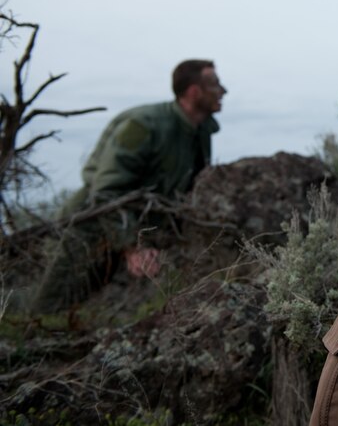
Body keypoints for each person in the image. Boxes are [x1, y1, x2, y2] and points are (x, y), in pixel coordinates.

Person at [31, 59, 226, 313]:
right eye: (215, 84)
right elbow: (107, 191)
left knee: (95, 316)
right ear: (193, 91)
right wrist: (133, 247)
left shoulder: (199, 131)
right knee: (49, 312)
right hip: (89, 227)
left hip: (137, 229)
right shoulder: (144, 125)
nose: (223, 91)